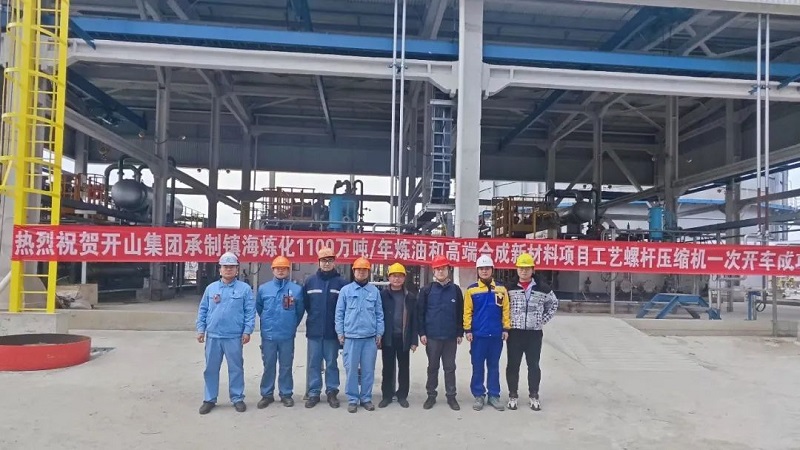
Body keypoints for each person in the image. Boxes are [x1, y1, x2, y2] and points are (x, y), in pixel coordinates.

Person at [195, 251, 256, 415]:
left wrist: (247, 331)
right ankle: (209, 399)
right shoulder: (211, 289)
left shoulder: (244, 289)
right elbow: (203, 310)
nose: (228, 269)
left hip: (234, 336)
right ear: (220, 269)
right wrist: (201, 329)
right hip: (213, 336)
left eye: (232, 267)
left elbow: (250, 311)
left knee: (236, 368)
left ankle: (237, 398)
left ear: (237, 269)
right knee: (211, 369)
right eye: (225, 266)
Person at [505, 253, 559, 411]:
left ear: (533, 269)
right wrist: (506, 324)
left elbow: (553, 304)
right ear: (516, 269)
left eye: (527, 268)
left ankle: (534, 395)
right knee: (513, 365)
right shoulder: (509, 288)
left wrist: (541, 320)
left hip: (534, 334)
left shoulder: (543, 288)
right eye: (521, 268)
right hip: (515, 333)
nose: (524, 271)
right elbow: (503, 308)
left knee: (533, 365)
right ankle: (513, 395)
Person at [335, 257, 384, 413]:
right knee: (351, 370)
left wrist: (379, 333)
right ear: (354, 271)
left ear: (368, 272)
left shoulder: (374, 291)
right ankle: (352, 399)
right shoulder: (346, 291)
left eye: (364, 270)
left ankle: (366, 398)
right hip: (351, 338)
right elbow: (339, 313)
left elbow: (379, 314)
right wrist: (340, 332)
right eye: (358, 270)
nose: (361, 272)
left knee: (368, 370)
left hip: (369, 338)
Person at [255, 255, 305, 409]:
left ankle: (286, 394)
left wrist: (291, 325)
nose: (281, 271)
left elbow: (299, 311)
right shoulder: (264, 289)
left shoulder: (296, 290)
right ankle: (267, 394)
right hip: (269, 335)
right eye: (278, 268)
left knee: (286, 366)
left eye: (284, 268)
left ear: (288, 270)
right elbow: (259, 308)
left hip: (287, 335)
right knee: (268, 365)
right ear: (273, 270)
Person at [302, 247, 347, 409]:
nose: (326, 263)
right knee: (314, 363)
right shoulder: (310, 282)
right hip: (314, 331)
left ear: (334, 262)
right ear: (318, 262)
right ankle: (314, 392)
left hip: (332, 332)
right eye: (323, 260)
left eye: (329, 260)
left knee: (331, 363)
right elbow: (306, 304)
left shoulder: (342, 283)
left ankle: (332, 392)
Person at [417, 255, 464, 411]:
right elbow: (420, 313)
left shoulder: (455, 290)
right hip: (432, 337)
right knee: (433, 367)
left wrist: (459, 332)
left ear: (448, 270)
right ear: (433, 271)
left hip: (450, 337)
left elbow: (460, 313)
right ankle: (431, 395)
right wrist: (422, 333)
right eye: (437, 269)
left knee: (450, 367)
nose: (441, 271)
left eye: (443, 268)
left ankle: (451, 396)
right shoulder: (427, 290)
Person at [464, 254, 510, 412]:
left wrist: (506, 328)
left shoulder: (501, 289)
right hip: (478, 335)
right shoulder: (472, 290)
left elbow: (506, 310)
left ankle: (494, 395)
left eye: (487, 268)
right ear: (477, 271)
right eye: (481, 269)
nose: (484, 271)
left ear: (492, 270)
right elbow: (467, 311)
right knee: (477, 366)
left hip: (496, 335)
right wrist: (468, 330)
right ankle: (478, 395)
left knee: (494, 366)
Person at [378, 262, 418, 408]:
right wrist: (378, 336)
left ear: (404, 278)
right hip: (388, 337)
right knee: (387, 368)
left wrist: (414, 340)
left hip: (403, 337)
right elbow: (378, 316)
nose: (397, 279)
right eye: (394, 276)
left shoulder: (410, 297)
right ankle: (387, 396)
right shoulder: (382, 295)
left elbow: (414, 320)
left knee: (404, 368)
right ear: (389, 277)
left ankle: (402, 395)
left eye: (400, 276)